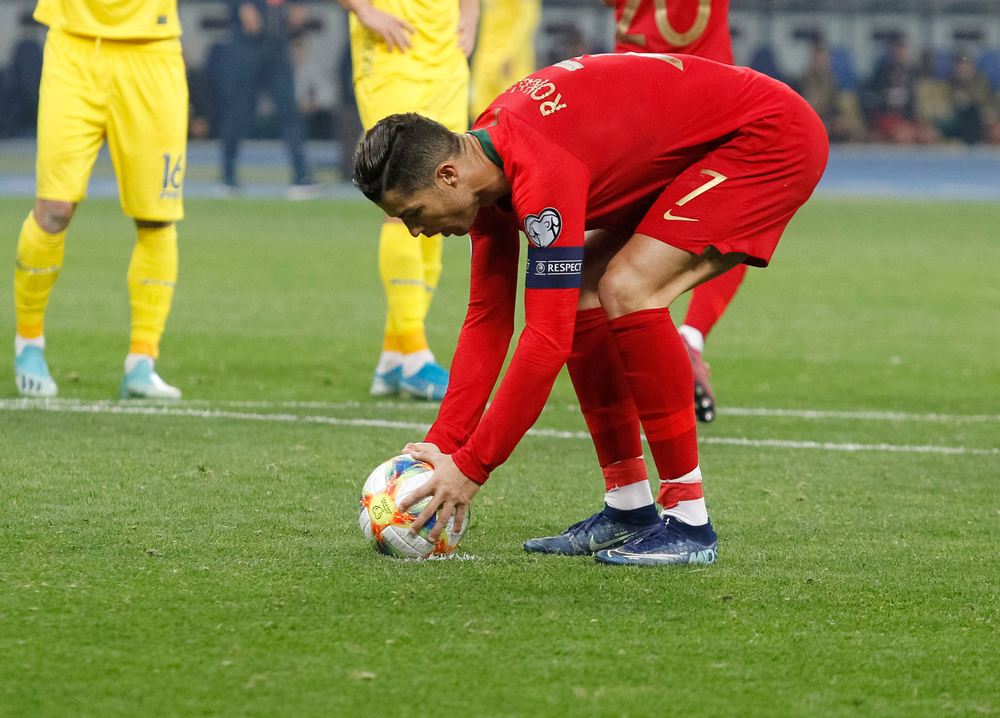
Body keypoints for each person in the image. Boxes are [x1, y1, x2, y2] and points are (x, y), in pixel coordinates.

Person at [354, 53, 828, 565]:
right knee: (582, 287)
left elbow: (543, 342)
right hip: (704, 146)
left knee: (627, 288)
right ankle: (629, 506)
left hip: (767, 139)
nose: (416, 232)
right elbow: (489, 319)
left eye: (413, 214)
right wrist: (443, 444)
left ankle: (689, 521)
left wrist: (471, 468)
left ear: (447, 174)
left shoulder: (538, 170)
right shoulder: (485, 171)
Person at [13, 0, 188, 399]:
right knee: (54, 210)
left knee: (156, 217)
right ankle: (28, 344)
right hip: (73, 44)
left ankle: (142, 362)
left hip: (152, 48)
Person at [337, 0, 477, 402]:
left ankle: (394, 358)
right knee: (404, 198)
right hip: (391, 53)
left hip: (447, 58)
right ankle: (415, 353)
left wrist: (471, 13)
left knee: (440, 199)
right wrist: (363, 9)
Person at [608, 0, 737, 423]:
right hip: (710, 91)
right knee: (739, 223)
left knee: (616, 230)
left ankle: (631, 359)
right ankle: (689, 337)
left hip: (634, 92)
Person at [220, 0, 319, 197]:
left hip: (278, 41)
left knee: (290, 112)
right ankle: (228, 177)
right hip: (247, 43)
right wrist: (242, 5)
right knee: (238, 110)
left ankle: (301, 177)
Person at [470, 0, 541, 120]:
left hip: (509, 62)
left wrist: (510, 53)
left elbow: (529, 17)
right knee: (481, 116)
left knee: (513, 115)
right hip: (485, 57)